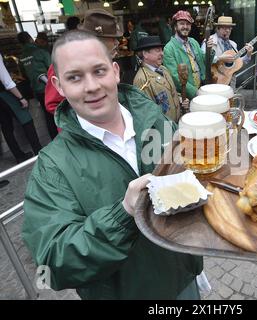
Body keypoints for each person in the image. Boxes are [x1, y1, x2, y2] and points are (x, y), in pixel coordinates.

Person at [22, 30, 204, 300]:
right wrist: (123, 214)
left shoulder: (154, 120)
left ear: (116, 71)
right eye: (74, 77)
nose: (91, 86)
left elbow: (192, 174)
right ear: (59, 86)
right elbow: (52, 263)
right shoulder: (53, 166)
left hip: (185, 280)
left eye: (99, 71)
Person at [45, 9, 123, 116]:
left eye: (99, 71)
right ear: (97, 40)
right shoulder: (64, 65)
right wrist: (84, 120)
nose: (117, 42)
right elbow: (52, 104)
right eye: (112, 38)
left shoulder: (106, 61)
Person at [133, 36, 188, 122]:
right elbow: (146, 114)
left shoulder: (163, 69)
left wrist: (181, 100)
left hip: (176, 123)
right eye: (157, 50)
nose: (162, 53)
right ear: (145, 54)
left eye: (162, 50)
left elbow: (170, 92)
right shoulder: (142, 80)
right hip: (164, 130)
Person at [0, 53, 42, 163]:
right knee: (26, 120)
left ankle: (19, 156)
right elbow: (7, 82)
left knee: (6, 126)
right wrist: (21, 97)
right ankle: (39, 152)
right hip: (5, 94)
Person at [163, 10, 213, 100]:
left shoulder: (193, 42)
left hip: (203, 87)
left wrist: (210, 50)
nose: (185, 27)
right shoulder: (168, 49)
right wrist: (195, 93)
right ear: (175, 27)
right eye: (182, 24)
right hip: (186, 95)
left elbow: (205, 62)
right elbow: (175, 77)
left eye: (188, 24)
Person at [17, 31, 57, 140]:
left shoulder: (21, 58)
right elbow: (53, 68)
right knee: (58, 113)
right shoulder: (40, 51)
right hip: (50, 88)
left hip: (37, 90)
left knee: (48, 116)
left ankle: (55, 139)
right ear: (30, 38)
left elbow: (24, 75)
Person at [201, 16, 254, 87]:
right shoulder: (209, 41)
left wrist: (248, 54)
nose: (228, 31)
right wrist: (220, 58)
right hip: (214, 81)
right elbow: (203, 59)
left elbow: (237, 63)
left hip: (231, 82)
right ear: (217, 29)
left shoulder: (233, 44)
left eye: (229, 28)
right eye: (224, 28)